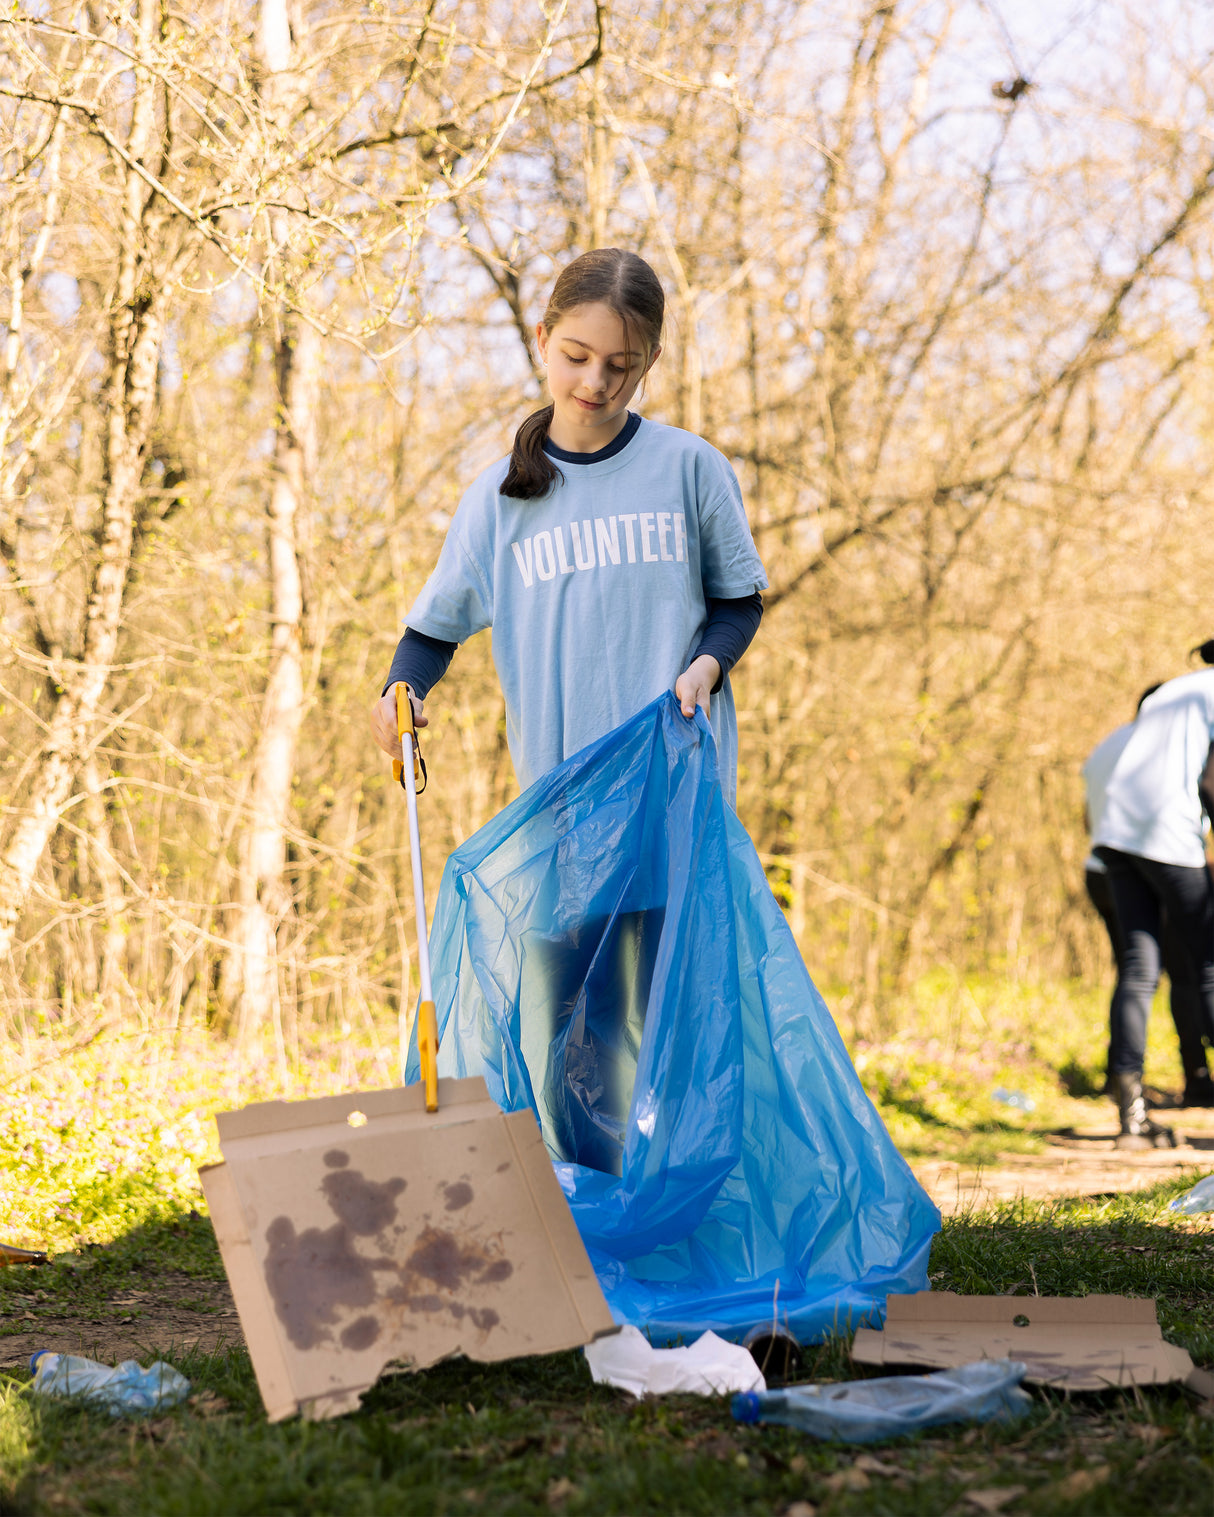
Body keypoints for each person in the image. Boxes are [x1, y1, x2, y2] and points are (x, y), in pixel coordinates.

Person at [369, 249, 769, 1170]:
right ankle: (599, 1232)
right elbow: (430, 633)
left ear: (649, 364)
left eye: (619, 366)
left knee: (655, 1023)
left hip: (672, 789)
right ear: (543, 340)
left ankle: (658, 1211)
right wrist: (402, 695)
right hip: (562, 809)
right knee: (575, 1044)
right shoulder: (498, 500)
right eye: (577, 356)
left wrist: (707, 665)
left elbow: (739, 599)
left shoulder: (689, 470)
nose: (594, 381)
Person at [1092, 658, 1214, 1148]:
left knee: (1138, 969)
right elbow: (1209, 782)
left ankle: (1131, 1118)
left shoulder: (1174, 691)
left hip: (1116, 838)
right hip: (1168, 835)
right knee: (1209, 964)